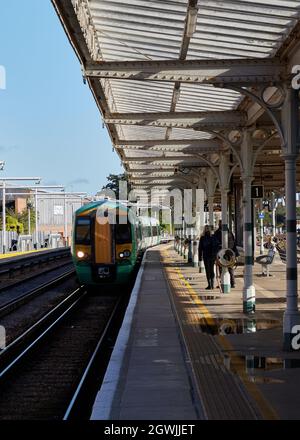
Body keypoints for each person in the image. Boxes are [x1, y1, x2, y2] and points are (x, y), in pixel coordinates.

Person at [214, 220, 239, 288]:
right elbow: (234, 244)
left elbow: (215, 244)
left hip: (221, 254)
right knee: (230, 268)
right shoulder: (230, 233)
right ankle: (232, 282)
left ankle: (224, 282)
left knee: (221, 268)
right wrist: (235, 254)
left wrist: (215, 255)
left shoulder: (217, 233)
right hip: (230, 253)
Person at [198, 225, 219, 290]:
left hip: (206, 256)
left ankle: (210, 285)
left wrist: (200, 258)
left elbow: (200, 248)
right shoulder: (213, 237)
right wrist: (216, 255)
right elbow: (216, 246)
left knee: (208, 270)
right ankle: (212, 284)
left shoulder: (202, 237)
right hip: (212, 256)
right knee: (211, 270)